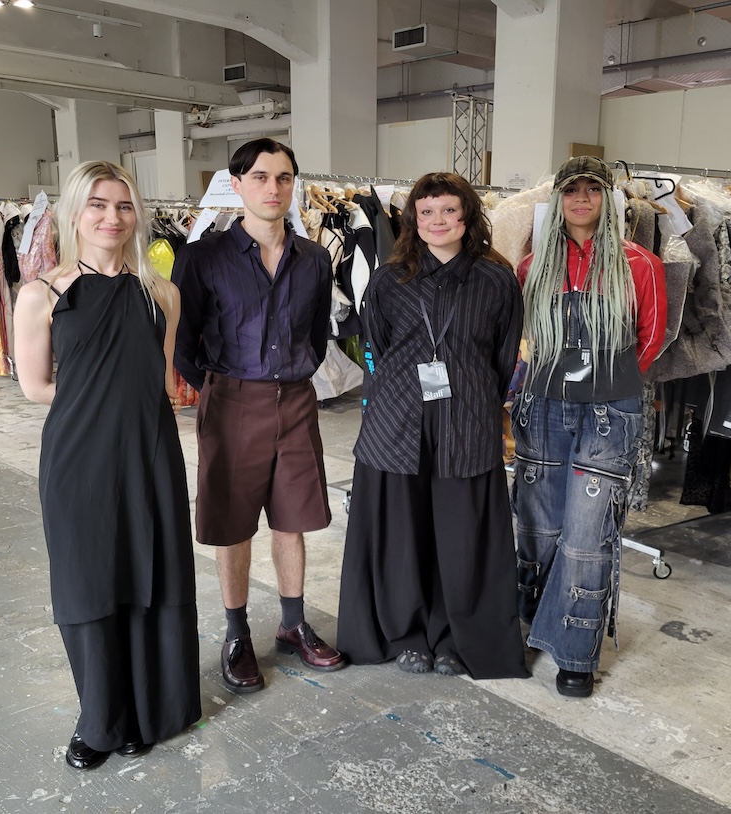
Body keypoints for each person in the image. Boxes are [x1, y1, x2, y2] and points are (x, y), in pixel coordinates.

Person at [13, 161, 201, 770]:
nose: (111, 217)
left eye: (123, 206)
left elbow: (163, 378)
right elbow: (36, 385)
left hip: (150, 452)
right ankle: (100, 719)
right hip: (79, 459)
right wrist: (94, 406)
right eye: (97, 205)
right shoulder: (42, 293)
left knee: (151, 574)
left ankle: (146, 713)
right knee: (89, 580)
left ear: (137, 215)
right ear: (73, 213)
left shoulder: (162, 293)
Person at [337, 172, 530, 681]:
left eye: (448, 210)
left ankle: (452, 637)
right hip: (395, 423)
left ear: (467, 215)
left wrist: (473, 393)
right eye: (426, 212)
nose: (437, 221)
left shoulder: (496, 279)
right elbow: (376, 348)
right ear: (411, 220)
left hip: (466, 421)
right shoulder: (388, 279)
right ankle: (407, 632)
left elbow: (505, 356)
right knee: (403, 534)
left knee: (461, 535)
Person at [173, 138, 345, 696]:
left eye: (285, 178)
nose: (274, 188)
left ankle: (293, 622)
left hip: (295, 399)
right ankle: (235, 632)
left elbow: (317, 334)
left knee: (292, 518)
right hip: (230, 401)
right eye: (262, 177)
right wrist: (220, 391)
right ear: (238, 183)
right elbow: (182, 340)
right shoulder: (204, 257)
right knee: (233, 523)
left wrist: (291, 379)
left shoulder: (315, 258)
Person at [512, 156, 667, 698]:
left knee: (587, 533)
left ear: (608, 199)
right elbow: (524, 339)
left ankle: (575, 652)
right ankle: (526, 627)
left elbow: (651, 338)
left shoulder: (639, 264)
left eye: (592, 190)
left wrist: (607, 381)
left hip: (609, 411)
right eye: (571, 191)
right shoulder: (533, 267)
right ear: (557, 200)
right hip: (544, 406)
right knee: (535, 524)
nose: (582, 199)